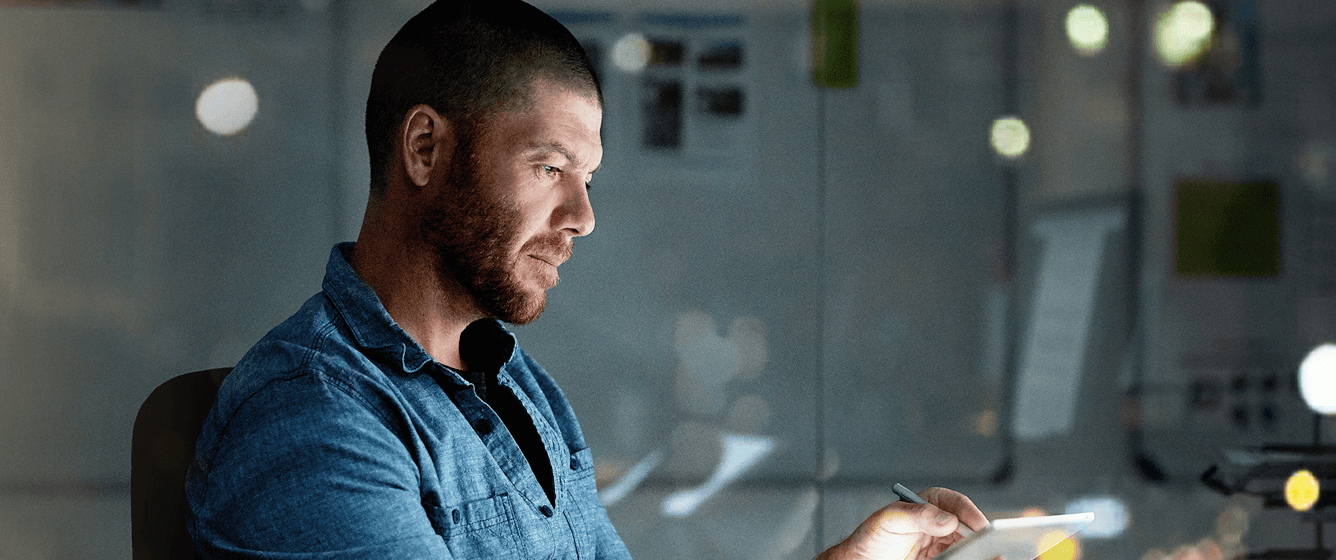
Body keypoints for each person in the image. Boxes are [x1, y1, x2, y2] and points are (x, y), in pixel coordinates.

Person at [184, 1, 988, 558]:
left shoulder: (520, 388)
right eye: (550, 166)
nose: (582, 216)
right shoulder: (314, 421)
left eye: (589, 180)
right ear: (425, 149)